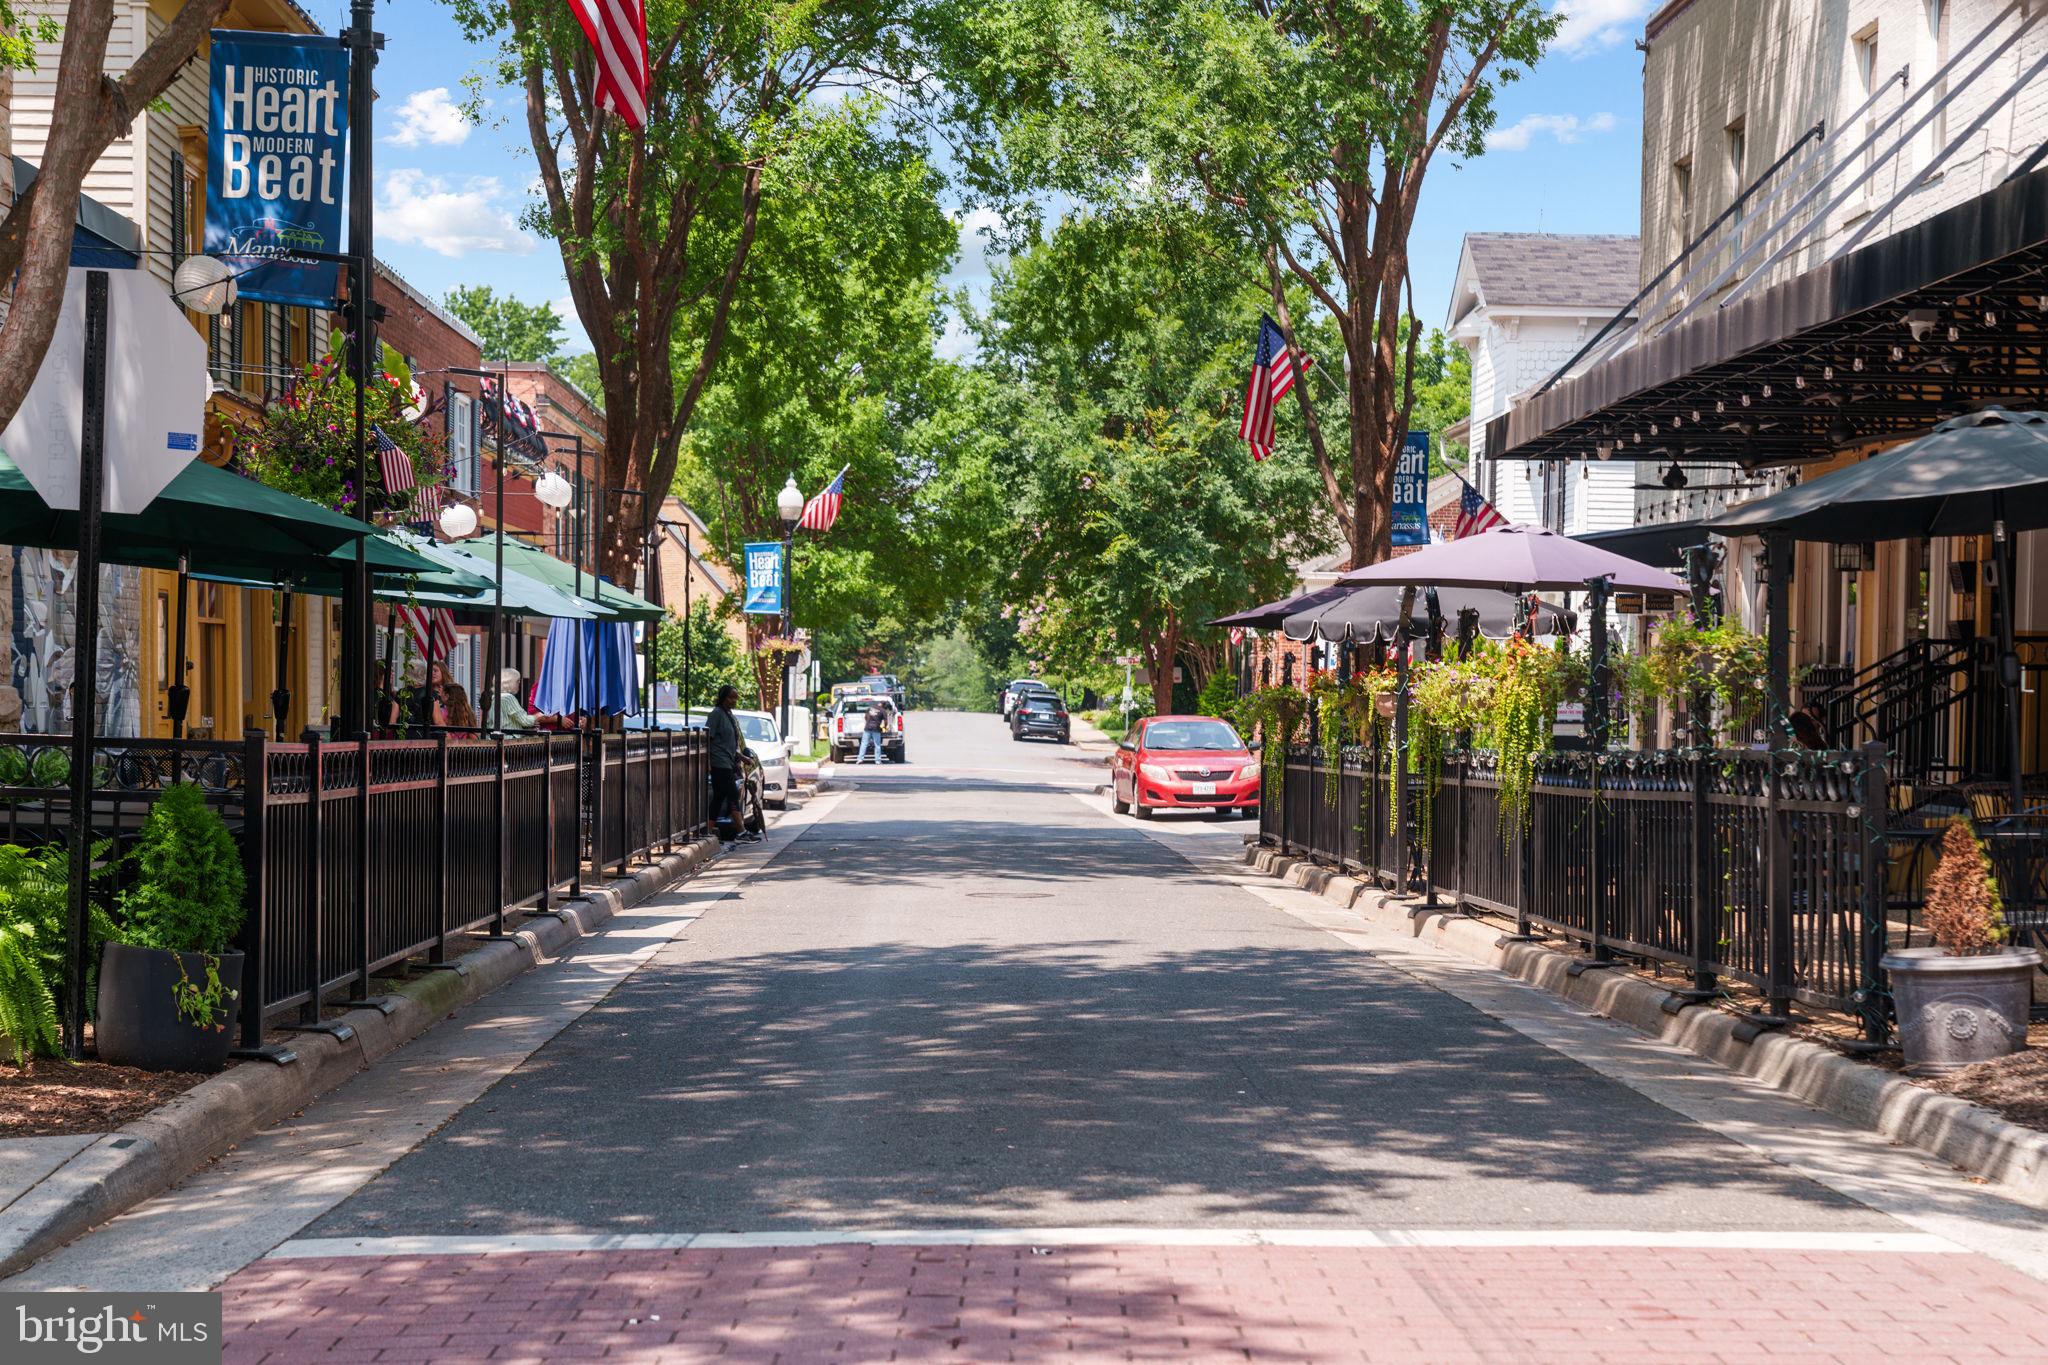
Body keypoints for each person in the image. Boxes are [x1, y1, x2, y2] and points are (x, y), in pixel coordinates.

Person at [706, 684, 759, 843]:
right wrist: (708, 762)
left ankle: (708, 832)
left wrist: (743, 758)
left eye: (736, 698)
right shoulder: (716, 715)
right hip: (719, 763)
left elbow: (728, 744)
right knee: (733, 796)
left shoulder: (729, 716)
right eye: (731, 697)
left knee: (719, 798)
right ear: (723, 698)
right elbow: (708, 740)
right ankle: (741, 832)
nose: (734, 701)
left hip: (728, 762)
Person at [487, 667, 558, 732]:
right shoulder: (508, 698)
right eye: (517, 681)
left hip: (498, 738)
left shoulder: (495, 697)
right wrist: (540, 715)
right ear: (509, 683)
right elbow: (525, 720)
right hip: (509, 740)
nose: (519, 684)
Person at [858, 696, 889, 764]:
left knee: (864, 744)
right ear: (884, 706)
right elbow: (886, 721)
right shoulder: (883, 711)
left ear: (879, 703)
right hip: (876, 729)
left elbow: (866, 716)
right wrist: (885, 727)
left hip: (867, 728)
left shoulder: (871, 708)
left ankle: (860, 759)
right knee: (877, 745)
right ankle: (877, 761)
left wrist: (868, 723)